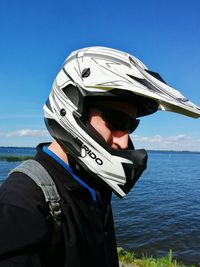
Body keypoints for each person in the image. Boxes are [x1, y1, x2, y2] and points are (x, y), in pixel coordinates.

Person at [0, 46, 199, 267]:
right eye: (116, 122)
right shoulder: (21, 201)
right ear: (73, 107)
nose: (124, 141)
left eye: (130, 127)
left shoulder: (92, 181)